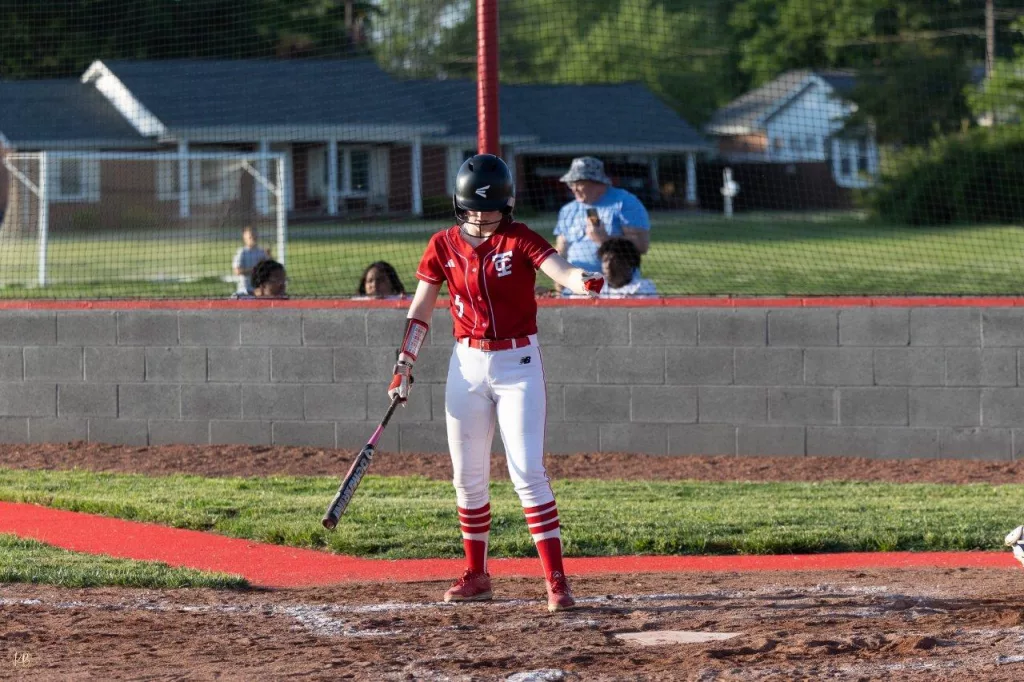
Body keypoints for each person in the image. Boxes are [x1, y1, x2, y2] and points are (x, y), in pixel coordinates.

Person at [388, 153, 603, 613]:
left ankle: (556, 580)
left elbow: (559, 269)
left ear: (506, 206)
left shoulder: (518, 237)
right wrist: (404, 362)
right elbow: (421, 308)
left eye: (490, 210)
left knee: (527, 472)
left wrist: (581, 280)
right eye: (473, 210)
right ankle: (476, 574)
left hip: (517, 364)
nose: (481, 218)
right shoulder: (442, 244)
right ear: (458, 205)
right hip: (466, 365)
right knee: (467, 477)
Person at [553, 156, 651, 275]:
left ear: (596, 182)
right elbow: (561, 251)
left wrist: (605, 240)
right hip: (576, 283)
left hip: (617, 282)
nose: (574, 189)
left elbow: (642, 246)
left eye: (578, 183)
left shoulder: (625, 202)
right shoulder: (568, 210)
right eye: (571, 184)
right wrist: (559, 284)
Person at [232, 226, 271, 294]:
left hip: (259, 290)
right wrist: (255, 270)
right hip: (245, 290)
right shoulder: (242, 252)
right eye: (251, 237)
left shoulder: (262, 252)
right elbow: (237, 271)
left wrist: (269, 256)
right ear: (245, 238)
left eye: (255, 236)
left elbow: (271, 268)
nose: (253, 238)